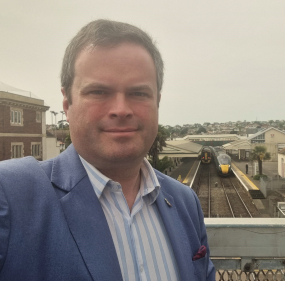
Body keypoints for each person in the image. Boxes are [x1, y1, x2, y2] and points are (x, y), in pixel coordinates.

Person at [0, 19, 215, 281]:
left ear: (157, 101)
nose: (121, 109)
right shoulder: (11, 194)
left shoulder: (185, 202)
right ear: (67, 103)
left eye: (138, 93)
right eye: (99, 91)